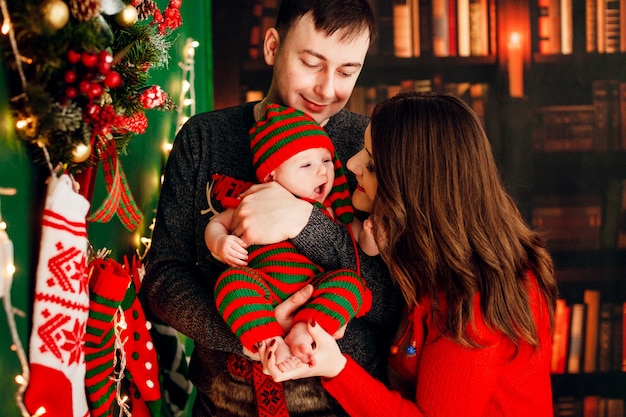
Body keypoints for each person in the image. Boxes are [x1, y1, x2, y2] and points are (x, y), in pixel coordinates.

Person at [142, 0, 403, 415]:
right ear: (271, 46)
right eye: (312, 62)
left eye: (347, 72)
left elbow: (395, 300)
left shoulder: (366, 149)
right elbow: (161, 278)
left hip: (343, 406)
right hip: (222, 406)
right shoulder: (204, 139)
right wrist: (254, 331)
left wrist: (305, 223)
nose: (326, 88)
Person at [259, 91, 559, 417]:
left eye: (371, 164)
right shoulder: (424, 250)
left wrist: (336, 368)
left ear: (413, 190)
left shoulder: (475, 302)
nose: (351, 164)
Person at [206, 102, 374, 370]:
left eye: (327, 160)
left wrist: (370, 237)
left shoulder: (331, 209)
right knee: (231, 283)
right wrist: (220, 242)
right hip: (262, 284)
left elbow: (357, 247)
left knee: (352, 285)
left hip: (313, 288)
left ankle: (304, 331)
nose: (322, 171)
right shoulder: (253, 199)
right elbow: (217, 223)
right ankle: (270, 340)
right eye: (306, 164)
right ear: (271, 173)